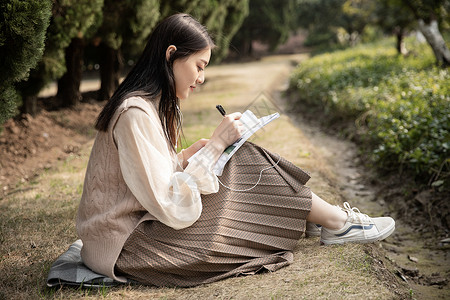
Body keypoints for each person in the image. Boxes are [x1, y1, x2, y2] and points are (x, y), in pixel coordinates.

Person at [76, 13, 395, 287]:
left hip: (139, 232)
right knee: (239, 158)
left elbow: (146, 175)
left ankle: (328, 220)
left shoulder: (148, 106)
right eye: (199, 66)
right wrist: (215, 146)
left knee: (236, 155)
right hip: (129, 248)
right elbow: (170, 205)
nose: (200, 78)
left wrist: (188, 155)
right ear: (171, 54)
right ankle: (335, 222)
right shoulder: (135, 112)